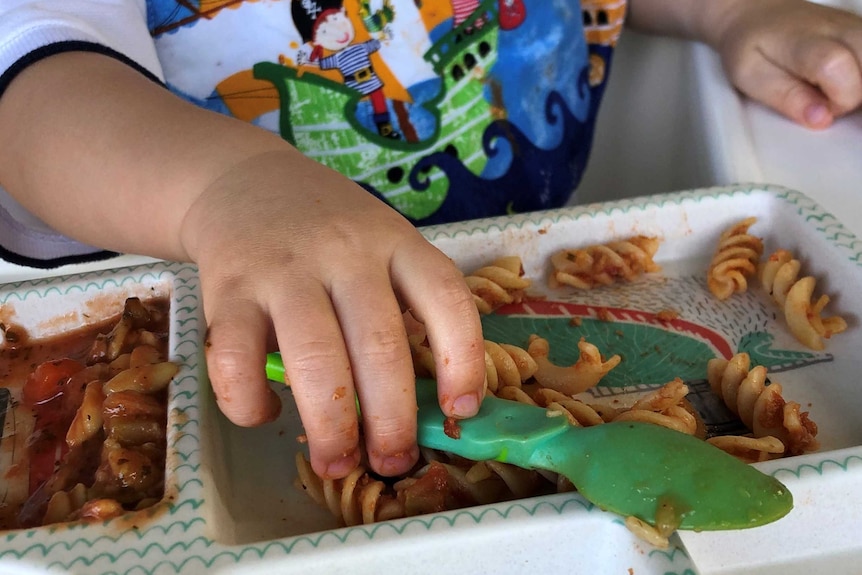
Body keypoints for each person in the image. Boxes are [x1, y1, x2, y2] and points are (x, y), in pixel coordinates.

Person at [0, 0, 860, 482]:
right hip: (261, 331)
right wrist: (221, 187)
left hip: (539, 254)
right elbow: (32, 76)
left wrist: (733, 13)